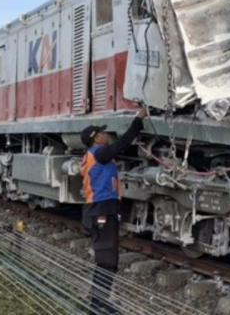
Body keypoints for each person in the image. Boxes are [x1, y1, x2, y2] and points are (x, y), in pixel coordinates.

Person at [80, 107, 146, 314]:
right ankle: (97, 306)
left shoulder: (94, 155)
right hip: (101, 213)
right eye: (101, 132)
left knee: (108, 261)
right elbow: (122, 143)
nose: (105, 134)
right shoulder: (99, 154)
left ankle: (99, 303)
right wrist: (138, 119)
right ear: (96, 138)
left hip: (101, 211)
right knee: (107, 262)